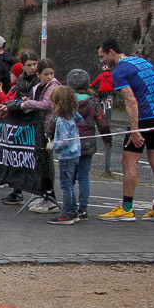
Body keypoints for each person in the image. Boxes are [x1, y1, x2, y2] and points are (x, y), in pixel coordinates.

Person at [96, 39, 154, 221]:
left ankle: (127, 208)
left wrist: (135, 130)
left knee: (129, 162)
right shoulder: (142, 62)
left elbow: (131, 100)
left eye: (102, 57)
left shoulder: (120, 70)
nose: (102, 61)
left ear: (112, 52)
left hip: (143, 117)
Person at [0, 59, 60, 210]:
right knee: (39, 164)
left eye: (51, 73)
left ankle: (51, 198)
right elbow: (28, 100)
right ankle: (44, 195)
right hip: (38, 127)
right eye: (46, 74)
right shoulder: (38, 86)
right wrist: (10, 106)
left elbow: (46, 104)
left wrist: (26, 104)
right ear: (39, 75)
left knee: (46, 164)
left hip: (48, 128)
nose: (50, 77)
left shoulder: (54, 86)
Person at [66, 68, 110, 220]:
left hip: (70, 144)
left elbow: (55, 120)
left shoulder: (67, 100)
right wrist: (107, 139)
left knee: (69, 177)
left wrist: (51, 136)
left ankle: (69, 207)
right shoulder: (93, 101)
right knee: (84, 177)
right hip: (87, 144)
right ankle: (83, 208)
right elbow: (102, 122)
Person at [46, 85, 84, 225]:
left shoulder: (62, 121)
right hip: (75, 153)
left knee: (65, 185)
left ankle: (67, 213)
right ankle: (73, 211)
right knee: (70, 184)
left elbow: (63, 141)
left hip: (67, 155)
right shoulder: (72, 115)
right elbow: (80, 119)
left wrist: (52, 145)